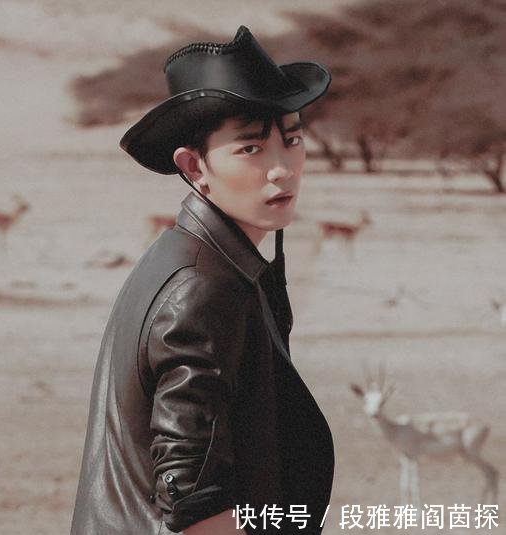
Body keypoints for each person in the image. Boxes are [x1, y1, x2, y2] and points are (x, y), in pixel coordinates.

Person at [70, 26, 334, 535]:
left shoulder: (199, 259)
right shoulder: (202, 288)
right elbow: (193, 503)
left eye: (292, 140)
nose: (282, 169)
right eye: (251, 148)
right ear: (195, 167)